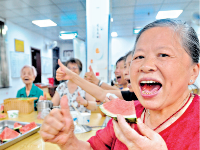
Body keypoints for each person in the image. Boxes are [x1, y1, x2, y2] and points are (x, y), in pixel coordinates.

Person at [40, 19, 199, 149]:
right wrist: (70, 143)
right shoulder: (128, 113)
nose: (145, 65)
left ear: (193, 71)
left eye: (163, 54)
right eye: (139, 57)